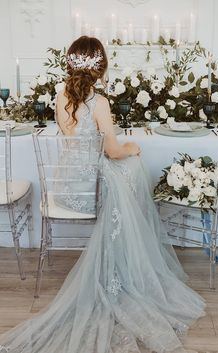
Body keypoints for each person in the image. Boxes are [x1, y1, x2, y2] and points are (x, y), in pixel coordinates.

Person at [0, 36, 206, 353]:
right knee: (135, 167)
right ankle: (130, 263)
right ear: (101, 67)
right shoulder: (99, 103)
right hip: (90, 192)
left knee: (127, 175)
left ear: (70, 65)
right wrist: (132, 147)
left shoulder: (59, 97)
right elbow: (112, 150)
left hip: (67, 188)